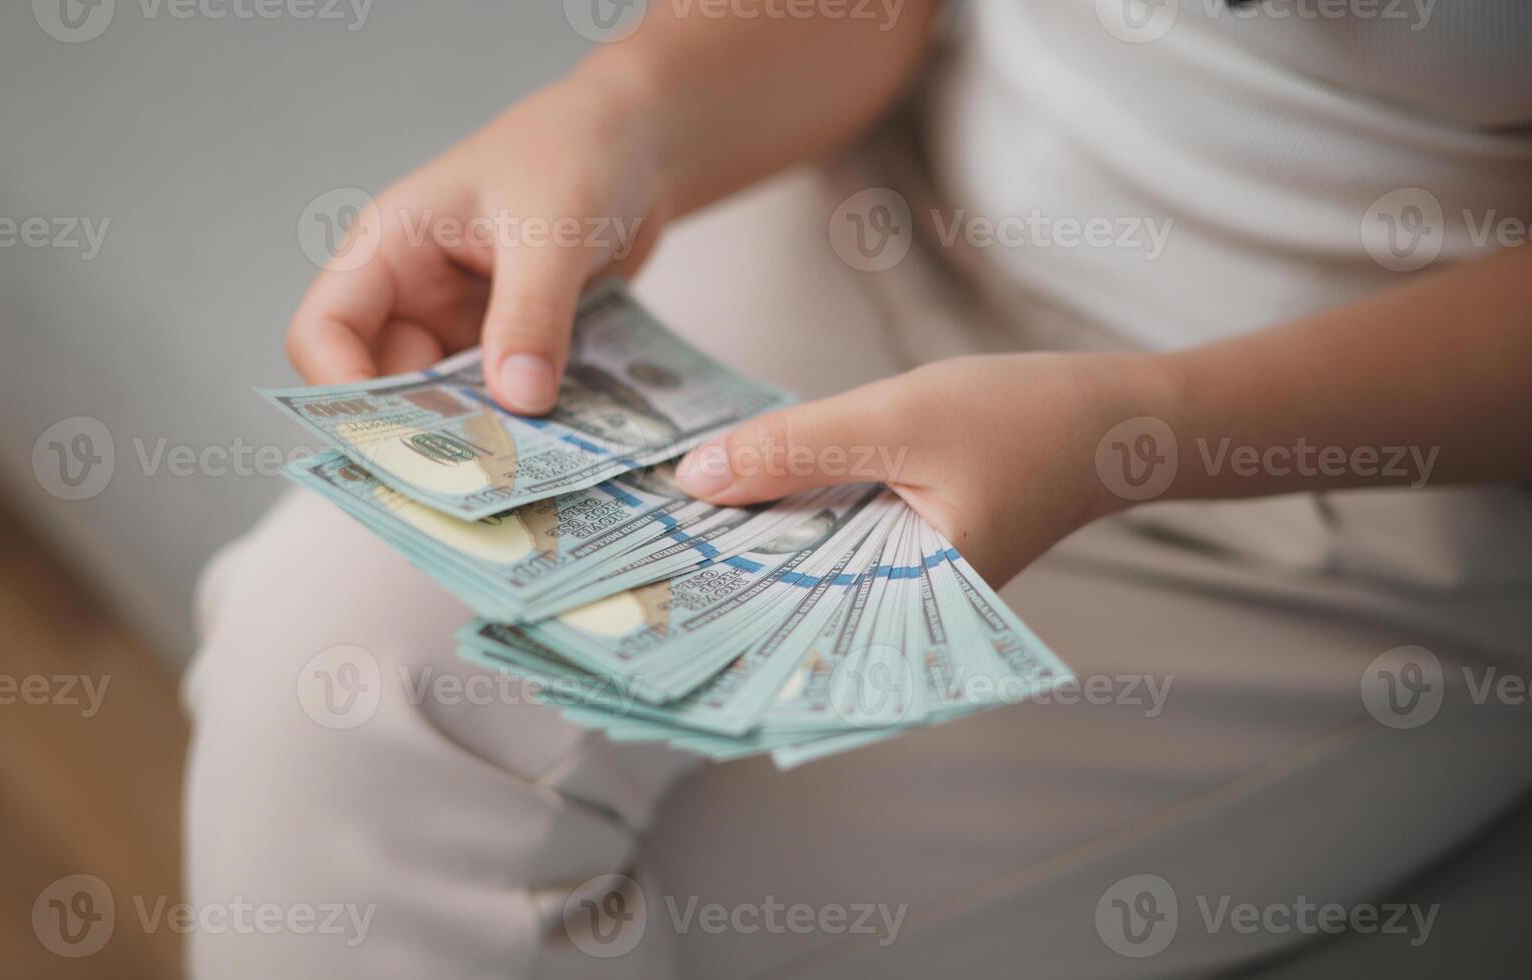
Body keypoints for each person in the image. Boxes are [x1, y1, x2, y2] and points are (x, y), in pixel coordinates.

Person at [184, 1, 1532, 975]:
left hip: (1352, 470)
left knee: (680, 907)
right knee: (322, 685)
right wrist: (620, 111)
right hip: (883, 212)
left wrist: (1142, 428)